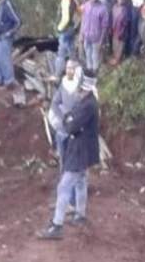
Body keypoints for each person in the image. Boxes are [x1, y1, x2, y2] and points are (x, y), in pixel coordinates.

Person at [39, 69, 100, 240]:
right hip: (84, 149)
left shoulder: (88, 104)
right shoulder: (88, 101)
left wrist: (68, 119)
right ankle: (80, 215)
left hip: (80, 150)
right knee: (81, 182)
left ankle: (57, 225)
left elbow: (70, 125)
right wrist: (70, 118)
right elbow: (71, 119)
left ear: (83, 86)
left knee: (64, 186)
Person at [0, 0, 21, 89]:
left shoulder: (7, 4)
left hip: (5, 37)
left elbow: (17, 21)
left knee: (5, 60)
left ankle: (8, 82)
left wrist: (9, 33)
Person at [80, 0, 109, 73]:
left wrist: (101, 41)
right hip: (86, 36)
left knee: (95, 57)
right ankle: (89, 71)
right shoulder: (86, 5)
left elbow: (105, 27)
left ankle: (95, 73)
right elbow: (83, 20)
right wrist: (81, 34)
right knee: (88, 55)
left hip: (96, 38)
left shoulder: (103, 9)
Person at [54, 0, 78, 79]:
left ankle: (57, 74)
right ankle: (75, 73)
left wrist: (59, 28)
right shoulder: (74, 1)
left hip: (65, 30)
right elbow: (80, 11)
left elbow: (65, 19)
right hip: (71, 29)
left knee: (61, 54)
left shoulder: (65, 1)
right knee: (72, 52)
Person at [109, 0, 130, 66]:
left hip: (122, 32)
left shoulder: (125, 10)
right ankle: (114, 57)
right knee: (114, 45)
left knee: (120, 46)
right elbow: (111, 18)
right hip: (114, 30)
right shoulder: (114, 7)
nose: (120, 0)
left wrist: (122, 32)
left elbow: (126, 23)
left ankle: (118, 60)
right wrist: (110, 28)